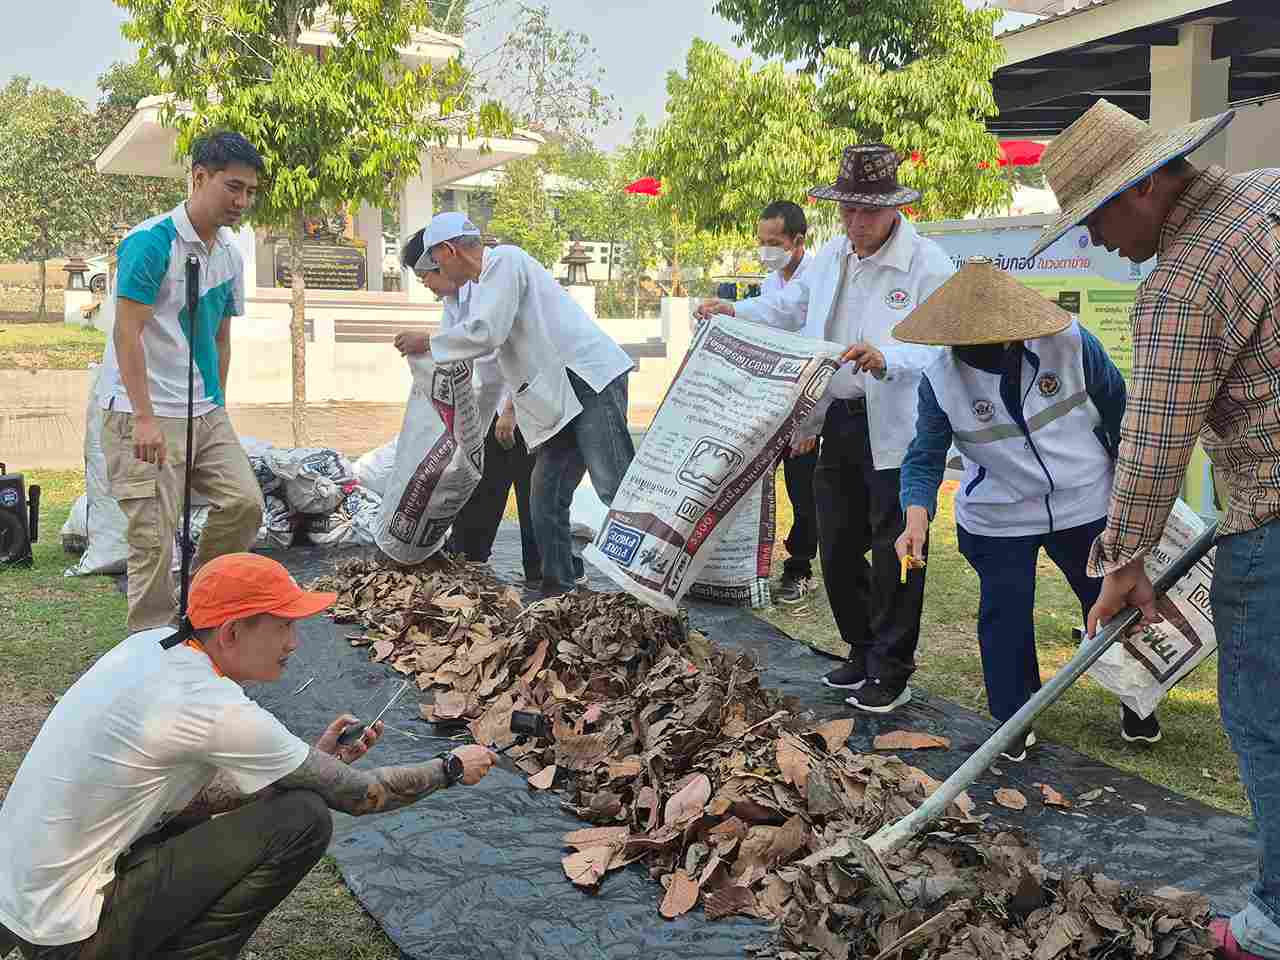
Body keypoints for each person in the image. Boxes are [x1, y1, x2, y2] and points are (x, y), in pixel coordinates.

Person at [1032, 99, 1280, 959]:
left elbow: (1152, 447)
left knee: (1267, 721)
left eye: (1094, 217)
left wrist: (1122, 563)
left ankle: (1276, 921)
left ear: (1142, 188)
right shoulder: (1267, 195)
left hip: (1273, 518)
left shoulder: (1183, 281)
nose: (1093, 241)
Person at [0, 553, 496, 958]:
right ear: (233, 632)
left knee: (253, 804)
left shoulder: (151, 648)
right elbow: (363, 796)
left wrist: (312, 764)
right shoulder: (211, 706)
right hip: (70, 937)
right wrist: (450, 767)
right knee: (303, 818)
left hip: (27, 910)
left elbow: (192, 802)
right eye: (283, 626)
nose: (294, 643)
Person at [696, 144, 954, 714]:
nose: (856, 222)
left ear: (894, 208)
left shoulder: (929, 265)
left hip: (899, 428)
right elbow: (790, 307)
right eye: (847, 210)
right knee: (835, 544)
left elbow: (942, 346)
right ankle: (861, 648)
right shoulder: (834, 255)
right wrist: (736, 311)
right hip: (837, 415)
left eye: (868, 211)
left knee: (895, 549)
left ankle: (892, 667)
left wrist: (887, 358)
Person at [893, 258, 1159, 762]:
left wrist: (1132, 493)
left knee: (1110, 601)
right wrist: (916, 516)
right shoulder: (940, 380)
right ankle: (1012, 719)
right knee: (1005, 611)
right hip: (998, 516)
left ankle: (1138, 701)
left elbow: (1121, 413)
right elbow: (924, 456)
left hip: (1084, 500)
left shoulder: (1071, 344)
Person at [409, 212, 636, 597]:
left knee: (614, 486)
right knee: (545, 498)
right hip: (555, 396)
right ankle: (559, 592)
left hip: (589, 379)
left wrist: (428, 344)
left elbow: (487, 334)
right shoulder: (478, 289)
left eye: (435, 262)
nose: (438, 272)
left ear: (449, 250)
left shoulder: (505, 261)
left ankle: (651, 585)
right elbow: (486, 367)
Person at [99, 131, 267, 636]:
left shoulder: (230, 256)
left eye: (250, 192)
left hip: (204, 410)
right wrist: (144, 418)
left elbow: (221, 338)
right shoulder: (151, 243)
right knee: (154, 541)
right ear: (199, 177)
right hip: (143, 412)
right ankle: (151, 646)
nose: (242, 201)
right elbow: (127, 333)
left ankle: (199, 604)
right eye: (232, 187)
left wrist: (220, 404)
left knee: (244, 504)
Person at [394, 234, 543, 584]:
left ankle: (545, 574)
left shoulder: (492, 282)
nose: (428, 285)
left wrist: (512, 410)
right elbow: (456, 356)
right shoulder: (454, 300)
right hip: (488, 411)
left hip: (522, 404)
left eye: (426, 276)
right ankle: (469, 560)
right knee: (481, 485)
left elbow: (513, 347)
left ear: (442, 259)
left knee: (533, 494)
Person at [756, 200, 820, 605]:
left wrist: (810, 421)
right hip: (772, 401)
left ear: (797, 241)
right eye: (761, 242)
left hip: (808, 403)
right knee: (757, 487)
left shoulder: (819, 278)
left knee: (803, 490)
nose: (766, 250)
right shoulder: (769, 283)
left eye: (774, 243)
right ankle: (752, 568)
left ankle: (800, 568)